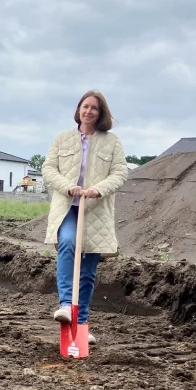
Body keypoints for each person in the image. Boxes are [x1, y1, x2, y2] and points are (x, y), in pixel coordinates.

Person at [41, 89, 128, 344]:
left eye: (94, 108)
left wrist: (98, 189)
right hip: (68, 207)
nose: (89, 111)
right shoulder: (62, 139)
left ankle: (81, 324)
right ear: (78, 109)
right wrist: (67, 185)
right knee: (67, 242)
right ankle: (67, 304)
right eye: (85, 106)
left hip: (95, 210)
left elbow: (121, 172)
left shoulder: (112, 142)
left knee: (88, 269)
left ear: (101, 113)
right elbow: (48, 168)